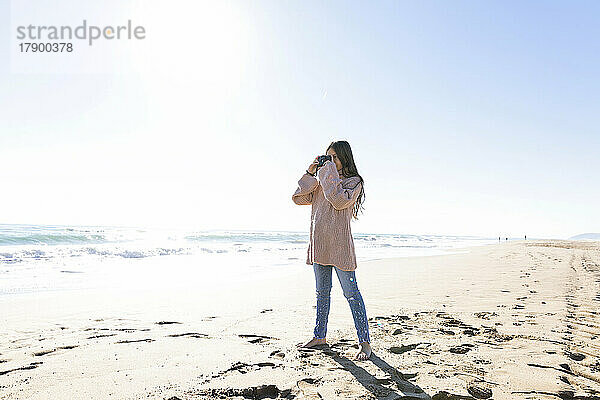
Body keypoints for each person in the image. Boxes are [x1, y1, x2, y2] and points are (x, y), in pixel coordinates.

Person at [291, 140, 372, 361]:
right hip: (319, 246)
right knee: (322, 294)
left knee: (351, 294)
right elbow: (298, 198)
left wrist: (326, 174)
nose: (331, 162)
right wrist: (309, 173)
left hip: (341, 248)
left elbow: (337, 200)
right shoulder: (322, 181)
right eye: (327, 157)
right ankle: (319, 336)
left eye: (335, 157)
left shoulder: (354, 182)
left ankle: (365, 343)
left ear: (345, 158)